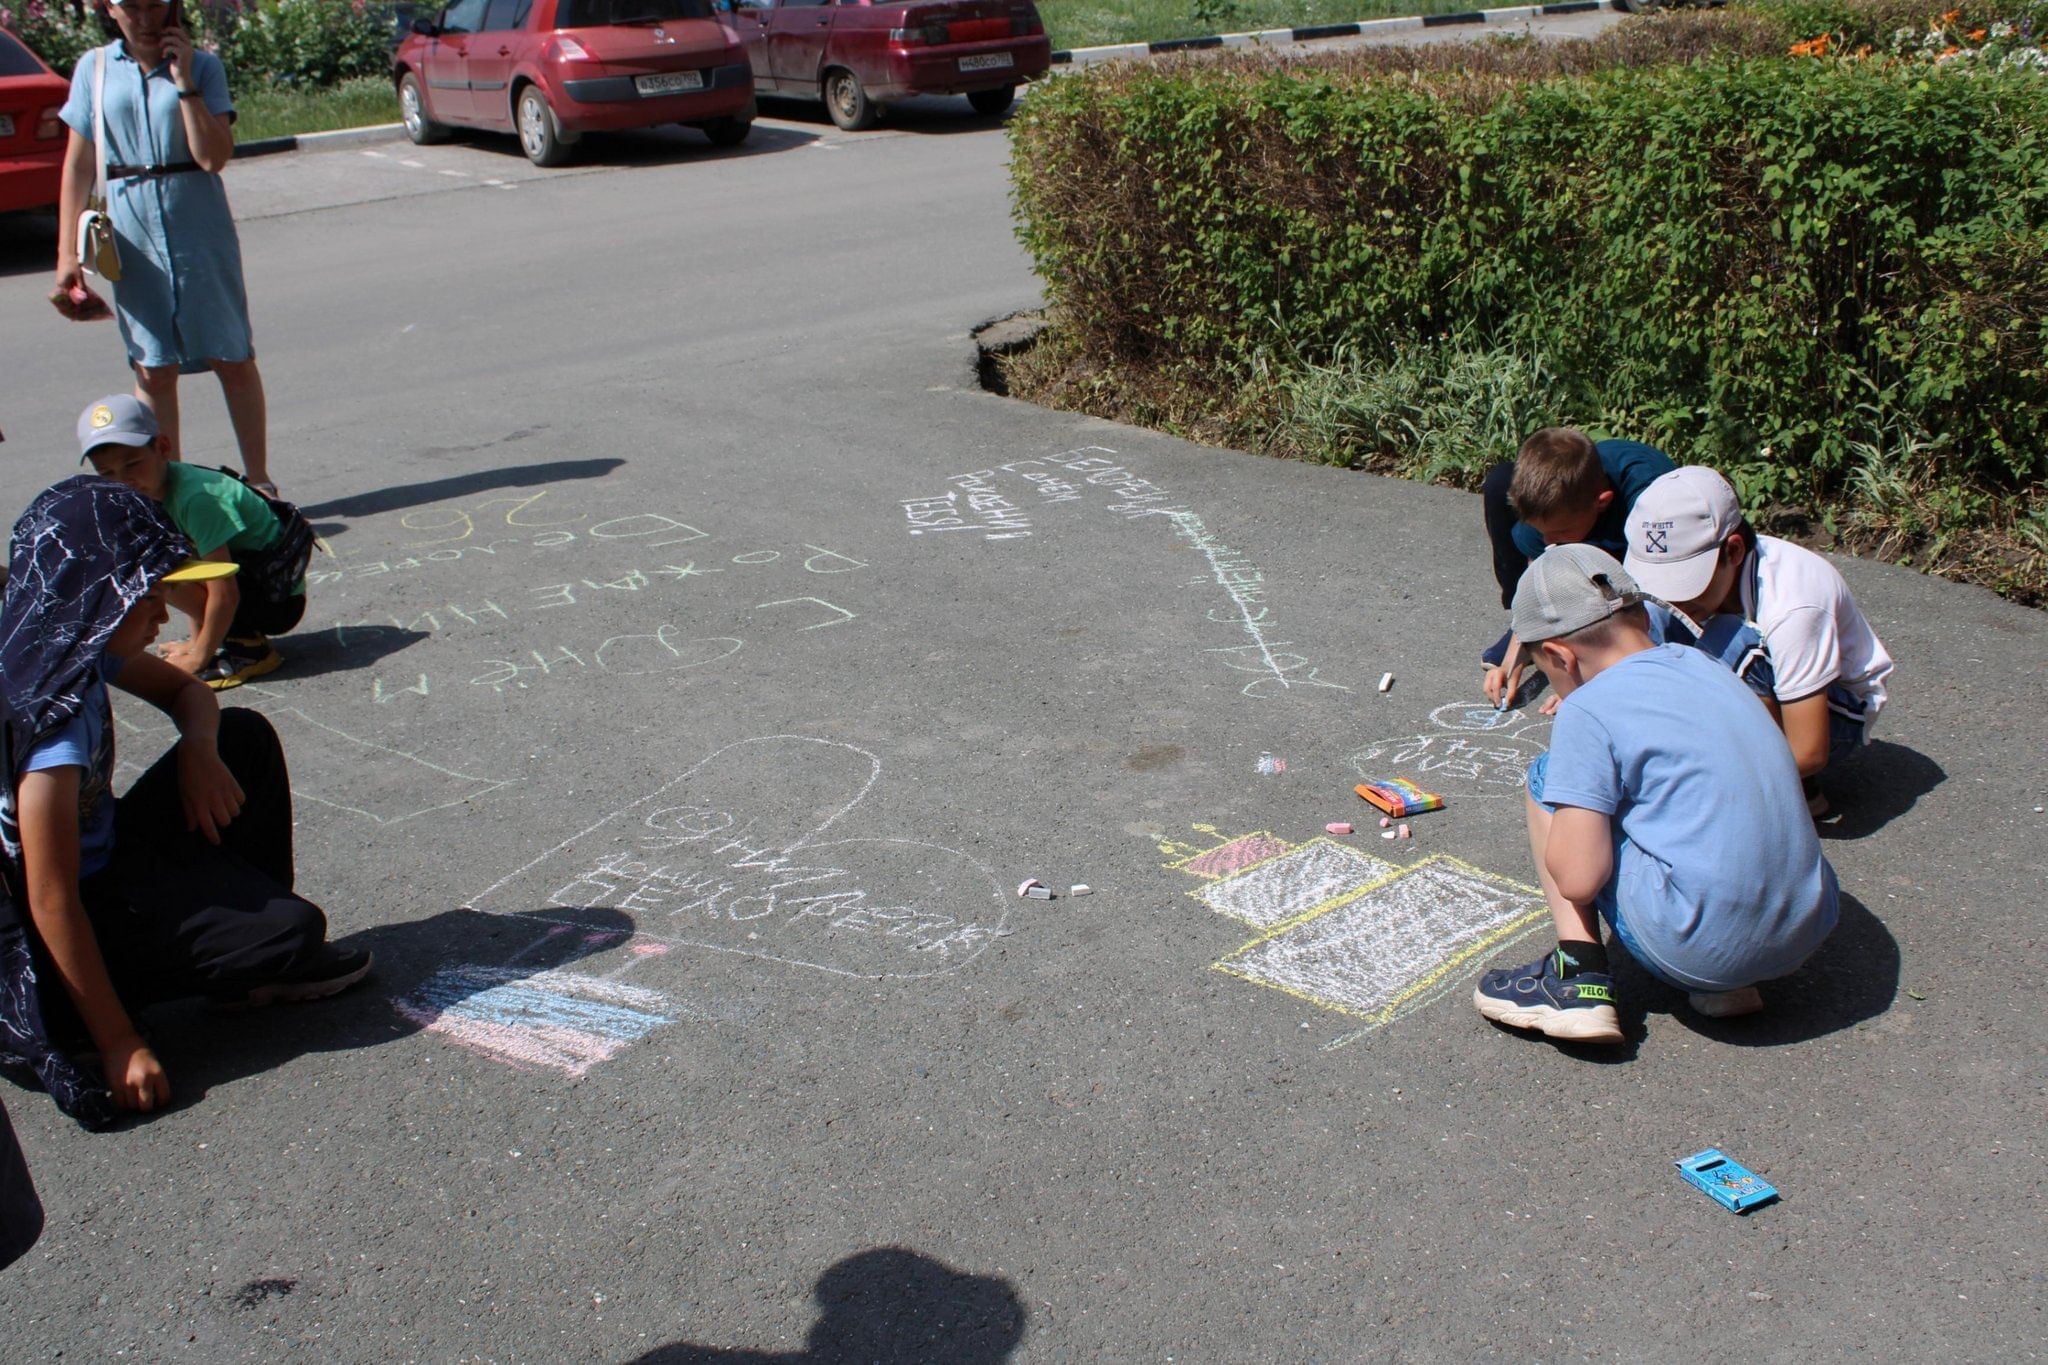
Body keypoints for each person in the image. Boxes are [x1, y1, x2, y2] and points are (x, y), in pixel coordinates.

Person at [0, 478, 368, 1130]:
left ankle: (240, 968)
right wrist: (119, 1043)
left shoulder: (72, 638)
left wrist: (199, 747)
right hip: (61, 912)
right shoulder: (50, 729)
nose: (164, 614)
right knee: (290, 931)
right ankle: (87, 1008)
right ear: (98, 596)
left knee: (238, 736)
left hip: (105, 856)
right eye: (148, 595)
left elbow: (192, 695)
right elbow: (49, 896)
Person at [1471, 545, 1839, 1043]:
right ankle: (1729, 985)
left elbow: (1578, 879)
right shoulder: (1705, 663)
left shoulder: (1590, 707)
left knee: (1549, 776)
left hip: (1701, 943)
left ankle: (1579, 978)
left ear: (1559, 656)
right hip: (1806, 928)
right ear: (1642, 613)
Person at [52, 0, 274, 493]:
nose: (147, 17)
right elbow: (78, 166)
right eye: (132, 6)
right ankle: (167, 491)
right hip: (131, 236)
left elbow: (213, 157)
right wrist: (67, 253)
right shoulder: (95, 68)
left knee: (232, 355)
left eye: (157, 3)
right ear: (110, 9)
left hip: (198, 225)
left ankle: (259, 481)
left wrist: (185, 82)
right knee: (154, 368)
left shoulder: (204, 66)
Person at [1622, 466, 1894, 812]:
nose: (1676, 597)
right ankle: (1708, 754)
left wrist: (1700, 787)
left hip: (1834, 714)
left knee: (1731, 640)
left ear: (1733, 551)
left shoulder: (1794, 604)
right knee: (1650, 614)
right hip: (1769, 677)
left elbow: (1808, 750)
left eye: (1685, 582)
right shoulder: (1719, 578)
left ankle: (1779, 791)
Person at [78, 394, 303, 689]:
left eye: (132, 464)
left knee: (159, 569)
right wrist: (196, 642)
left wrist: (198, 658)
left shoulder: (195, 499)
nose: (123, 481)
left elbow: (224, 588)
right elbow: (192, 560)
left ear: (163, 447)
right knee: (159, 562)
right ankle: (218, 636)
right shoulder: (154, 491)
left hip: (276, 601)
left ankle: (250, 650)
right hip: (253, 581)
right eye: (106, 473)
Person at [1480, 428, 1674, 707]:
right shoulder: (1554, 515)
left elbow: (1650, 604)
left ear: (1602, 502)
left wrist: (1591, 677)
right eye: (1542, 533)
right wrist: (1512, 663)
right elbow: (1542, 580)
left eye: (1559, 533)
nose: (1549, 541)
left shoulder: (1648, 498)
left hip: (1647, 553)